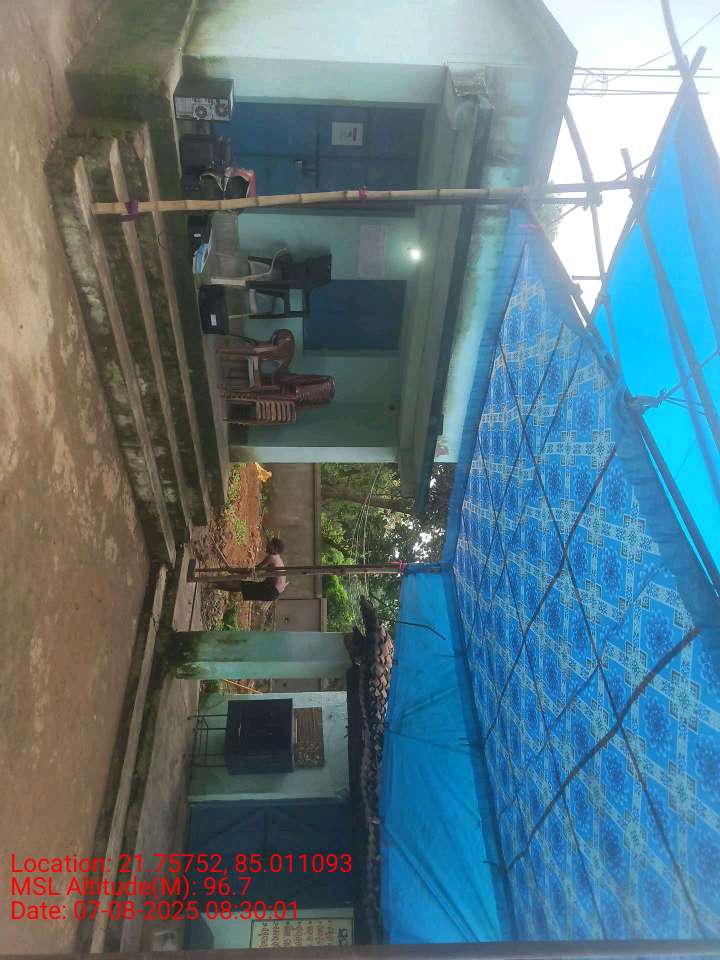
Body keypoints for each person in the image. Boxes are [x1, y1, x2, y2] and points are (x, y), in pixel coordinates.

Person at [208, 537, 288, 601]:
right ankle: (212, 584)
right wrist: (234, 570)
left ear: (275, 549)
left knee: (241, 586)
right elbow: (252, 572)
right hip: (273, 591)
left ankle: (210, 581)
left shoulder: (271, 558)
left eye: (270, 544)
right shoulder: (277, 559)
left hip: (271, 591)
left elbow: (252, 571)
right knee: (242, 586)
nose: (267, 545)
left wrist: (233, 570)